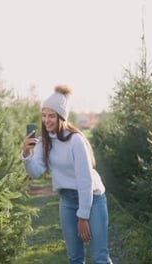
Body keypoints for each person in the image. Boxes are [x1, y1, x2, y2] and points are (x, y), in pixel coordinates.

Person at [21, 85, 112, 264]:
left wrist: (83, 216)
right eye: (44, 115)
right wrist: (26, 155)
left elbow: (85, 181)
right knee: (75, 258)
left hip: (92, 198)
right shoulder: (43, 141)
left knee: (100, 257)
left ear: (61, 117)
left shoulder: (75, 141)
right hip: (67, 200)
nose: (46, 120)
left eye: (52, 115)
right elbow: (36, 172)